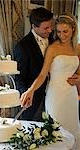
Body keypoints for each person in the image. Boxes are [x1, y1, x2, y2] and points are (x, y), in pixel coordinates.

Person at [20, 12, 80, 147]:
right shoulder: (52, 48)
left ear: (73, 29)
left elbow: (78, 72)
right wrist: (30, 90)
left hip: (71, 95)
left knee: (73, 127)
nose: (61, 35)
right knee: (56, 131)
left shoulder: (78, 48)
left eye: (65, 31)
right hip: (55, 95)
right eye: (58, 32)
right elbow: (42, 75)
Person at [13, 7, 54, 121]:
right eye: (46, 28)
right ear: (34, 26)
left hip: (55, 94)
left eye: (51, 26)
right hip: (34, 98)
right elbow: (19, 76)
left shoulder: (54, 39)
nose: (50, 30)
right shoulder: (22, 47)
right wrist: (25, 94)